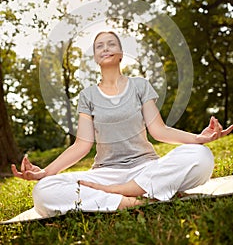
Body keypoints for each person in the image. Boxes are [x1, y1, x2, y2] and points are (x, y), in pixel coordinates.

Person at [12, 31, 233, 216]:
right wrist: (46, 173)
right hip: (105, 174)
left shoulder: (140, 86)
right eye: (100, 46)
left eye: (111, 44)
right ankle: (133, 202)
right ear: (96, 57)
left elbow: (159, 131)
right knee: (43, 191)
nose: (105, 48)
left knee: (201, 156)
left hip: (146, 169)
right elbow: (81, 146)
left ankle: (120, 191)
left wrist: (198, 139)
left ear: (120, 54)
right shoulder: (87, 96)